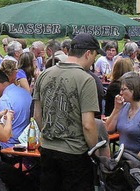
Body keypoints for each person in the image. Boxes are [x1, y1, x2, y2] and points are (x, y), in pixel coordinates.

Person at [33, 33, 102, 190]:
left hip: (48, 150)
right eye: (95, 55)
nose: (94, 60)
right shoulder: (86, 79)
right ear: (88, 53)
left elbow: (37, 116)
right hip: (75, 153)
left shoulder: (44, 74)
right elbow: (88, 125)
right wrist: (94, 152)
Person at [105, 74, 140, 167]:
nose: (120, 93)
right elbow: (108, 129)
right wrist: (116, 109)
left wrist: (132, 164)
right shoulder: (124, 107)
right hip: (123, 159)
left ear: (134, 90)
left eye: (123, 89)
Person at [0, 70, 31, 148]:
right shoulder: (25, 92)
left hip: (11, 146)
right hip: (28, 142)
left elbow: (1, 132)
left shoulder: (4, 100)